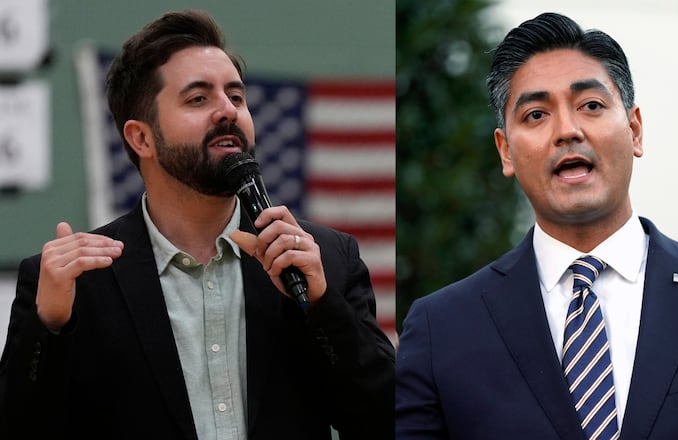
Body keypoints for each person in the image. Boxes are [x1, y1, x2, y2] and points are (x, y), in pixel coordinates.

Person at [0, 10, 394, 440]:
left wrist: (321, 306)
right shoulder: (75, 280)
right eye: (198, 99)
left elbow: (386, 420)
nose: (227, 111)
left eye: (237, 97)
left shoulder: (324, 259)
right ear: (141, 138)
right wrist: (48, 327)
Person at [396, 12, 678, 440]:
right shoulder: (442, 329)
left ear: (635, 130)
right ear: (505, 151)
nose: (567, 130)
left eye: (591, 106)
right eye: (535, 115)